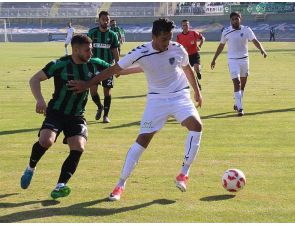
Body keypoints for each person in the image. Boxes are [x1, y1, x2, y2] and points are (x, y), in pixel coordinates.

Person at [68, 18, 203, 201]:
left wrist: (197, 91)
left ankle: (184, 173)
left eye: (169, 37)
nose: (167, 43)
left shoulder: (178, 48)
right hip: (157, 101)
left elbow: (187, 69)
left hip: (180, 96)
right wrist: (87, 84)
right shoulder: (141, 51)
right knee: (142, 141)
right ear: (154, 36)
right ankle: (120, 184)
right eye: (164, 39)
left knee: (196, 126)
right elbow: (114, 70)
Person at [20, 34, 111, 199]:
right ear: (76, 50)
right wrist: (40, 100)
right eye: (87, 50)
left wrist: (144, 65)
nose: (91, 53)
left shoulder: (95, 64)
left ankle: (60, 185)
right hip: (56, 112)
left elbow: (116, 68)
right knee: (46, 141)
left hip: (77, 115)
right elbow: (35, 79)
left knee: (78, 147)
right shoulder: (60, 64)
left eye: (91, 50)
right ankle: (30, 167)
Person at [211, 12, 267, 116]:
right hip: (232, 61)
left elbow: (254, 40)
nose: (235, 21)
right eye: (233, 19)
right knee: (237, 83)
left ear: (240, 19)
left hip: (244, 60)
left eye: (237, 19)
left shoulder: (246, 29)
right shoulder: (226, 32)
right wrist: (214, 59)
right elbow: (221, 46)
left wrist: (262, 50)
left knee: (242, 86)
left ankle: (237, 103)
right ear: (230, 20)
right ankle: (240, 108)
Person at [87, 11, 120, 123]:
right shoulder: (92, 33)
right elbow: (86, 48)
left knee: (107, 91)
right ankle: (99, 106)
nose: (105, 21)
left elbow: (115, 51)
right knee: (93, 91)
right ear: (99, 20)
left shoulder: (113, 35)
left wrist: (118, 67)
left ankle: (106, 115)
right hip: (93, 66)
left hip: (108, 67)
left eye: (107, 20)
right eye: (103, 19)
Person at [176, 19, 205, 89]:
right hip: (186, 57)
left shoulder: (194, 33)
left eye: (186, 25)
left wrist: (199, 46)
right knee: (190, 73)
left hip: (195, 54)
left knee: (196, 68)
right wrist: (183, 49)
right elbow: (178, 47)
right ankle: (197, 85)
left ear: (189, 25)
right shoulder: (179, 36)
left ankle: (198, 72)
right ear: (181, 27)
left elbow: (202, 38)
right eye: (184, 25)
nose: (185, 26)